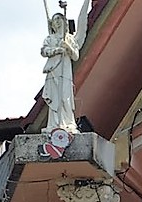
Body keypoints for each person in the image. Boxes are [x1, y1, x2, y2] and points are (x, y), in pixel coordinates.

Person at [41, 0, 90, 134]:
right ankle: (54, 124)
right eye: (54, 20)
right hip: (53, 71)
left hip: (65, 73)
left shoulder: (69, 38)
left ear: (64, 22)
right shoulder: (50, 39)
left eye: (59, 19)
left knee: (65, 96)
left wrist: (67, 46)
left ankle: (67, 122)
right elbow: (44, 51)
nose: (57, 22)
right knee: (55, 97)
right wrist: (56, 50)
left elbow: (75, 56)